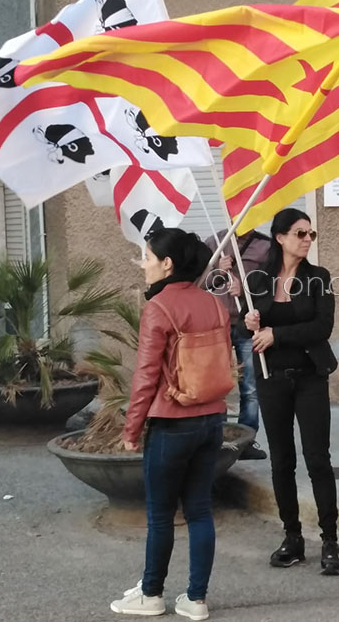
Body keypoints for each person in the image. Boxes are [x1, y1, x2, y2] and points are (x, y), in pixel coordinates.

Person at [111, 228, 228, 621]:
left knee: (161, 514)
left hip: (172, 421)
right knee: (199, 510)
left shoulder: (158, 308)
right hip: (212, 417)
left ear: (167, 263)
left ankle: (151, 593)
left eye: (146, 257)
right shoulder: (215, 305)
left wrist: (131, 429)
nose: (143, 264)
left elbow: (146, 375)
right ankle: (196, 599)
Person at [241, 208, 339, 575]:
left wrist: (276, 334)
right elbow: (245, 325)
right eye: (300, 233)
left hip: (310, 377)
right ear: (280, 237)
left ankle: (329, 540)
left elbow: (322, 327)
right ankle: (292, 537)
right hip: (271, 379)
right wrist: (249, 321)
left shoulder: (318, 278)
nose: (306, 240)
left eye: (310, 234)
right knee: (282, 461)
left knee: (318, 458)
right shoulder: (258, 281)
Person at [204, 227, 271, 461]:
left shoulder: (265, 245)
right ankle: (216, 438)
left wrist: (244, 291)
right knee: (217, 385)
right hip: (217, 324)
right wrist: (217, 271)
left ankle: (247, 442)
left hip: (247, 324)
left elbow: (270, 286)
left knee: (250, 387)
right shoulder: (215, 240)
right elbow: (199, 283)